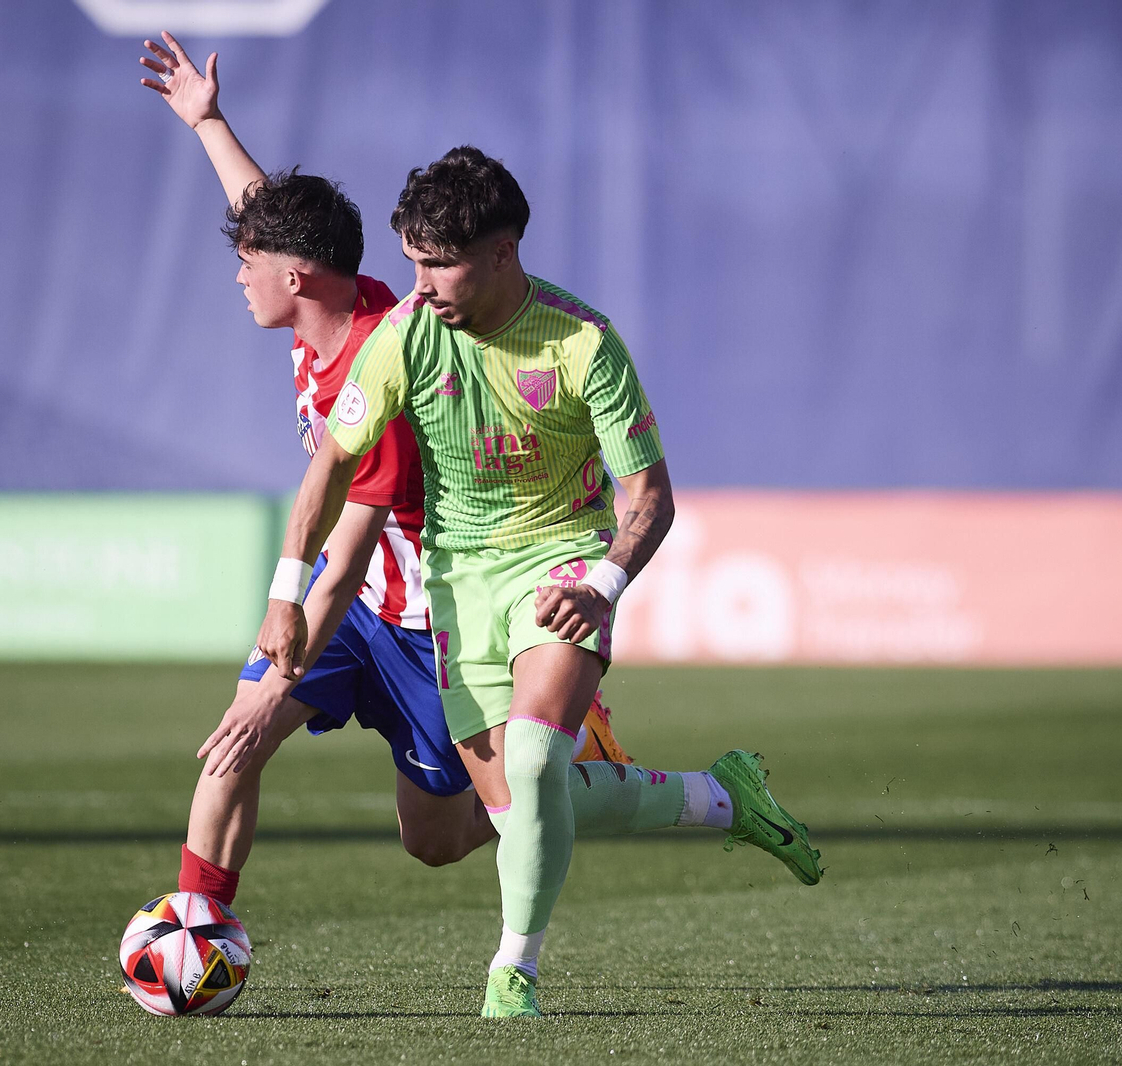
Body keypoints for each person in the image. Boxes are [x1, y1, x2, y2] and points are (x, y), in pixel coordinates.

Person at [257, 146, 823, 1017]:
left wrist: (603, 582)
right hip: (459, 584)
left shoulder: (581, 343)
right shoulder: (407, 333)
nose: (423, 282)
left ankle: (512, 974)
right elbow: (333, 462)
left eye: (439, 263)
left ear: (503, 251)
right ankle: (722, 797)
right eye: (412, 260)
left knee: (533, 753)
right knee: (521, 806)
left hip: (562, 564)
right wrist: (286, 590)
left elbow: (651, 496)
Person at [135, 34, 634, 915]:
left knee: (435, 842)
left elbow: (355, 549)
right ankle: (197, 930)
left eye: (247, 264)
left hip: (420, 620)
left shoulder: (384, 370)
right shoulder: (328, 301)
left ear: (294, 278)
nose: (238, 276)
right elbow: (271, 222)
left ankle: (574, 775)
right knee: (233, 745)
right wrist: (209, 124)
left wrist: (279, 675)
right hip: (350, 609)